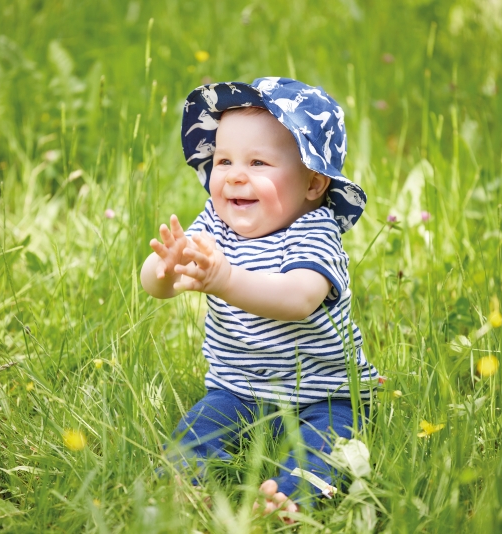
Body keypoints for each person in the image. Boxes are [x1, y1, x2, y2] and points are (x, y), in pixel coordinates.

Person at [140, 77, 378, 521]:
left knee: (328, 445)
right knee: (196, 433)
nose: (234, 175)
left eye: (259, 162)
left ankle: (290, 499)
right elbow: (155, 285)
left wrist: (225, 279)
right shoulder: (216, 220)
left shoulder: (315, 232)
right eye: (224, 159)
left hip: (325, 394)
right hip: (238, 388)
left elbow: (298, 298)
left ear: (312, 183)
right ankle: (182, 488)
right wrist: (165, 269)